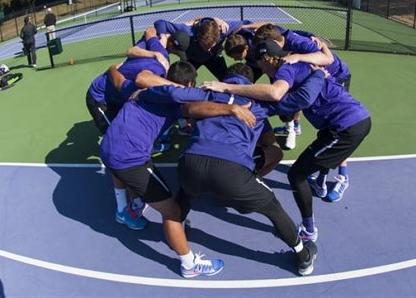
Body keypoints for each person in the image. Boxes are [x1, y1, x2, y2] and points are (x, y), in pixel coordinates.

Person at [137, 63, 332, 276]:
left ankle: (179, 231)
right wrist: (319, 73)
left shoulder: (207, 92)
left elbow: (177, 100)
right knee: (273, 208)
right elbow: (301, 99)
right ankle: (303, 256)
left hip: (190, 163)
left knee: (186, 192)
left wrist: (141, 93)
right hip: (231, 171)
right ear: (250, 83)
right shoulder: (258, 101)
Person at [204, 42, 371, 243]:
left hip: (345, 128)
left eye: (260, 63)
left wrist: (227, 87)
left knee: (296, 175)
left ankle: (309, 229)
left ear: (266, 60)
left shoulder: (285, 70)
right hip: (342, 124)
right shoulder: (302, 65)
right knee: (318, 152)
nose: (260, 69)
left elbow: (276, 94)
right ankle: (320, 184)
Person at [101, 61, 255, 277]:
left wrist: (111, 68)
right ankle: (189, 263)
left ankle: (126, 209)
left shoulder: (143, 91)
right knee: (172, 211)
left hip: (108, 148)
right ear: (189, 83)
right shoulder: (174, 95)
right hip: (130, 158)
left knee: (121, 169)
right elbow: (189, 102)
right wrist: (231, 107)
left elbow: (118, 81)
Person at [253, 24, 354, 200]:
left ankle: (342, 176)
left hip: (337, 76)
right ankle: (321, 176)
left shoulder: (297, 43)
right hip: (319, 79)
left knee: (337, 129)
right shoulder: (280, 48)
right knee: (326, 131)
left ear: (275, 42)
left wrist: (301, 55)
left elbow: (327, 58)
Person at [85, 33, 172, 230]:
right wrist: (113, 68)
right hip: (100, 99)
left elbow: (150, 30)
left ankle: (133, 195)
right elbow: (118, 80)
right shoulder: (135, 87)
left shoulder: (161, 55)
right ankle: (122, 210)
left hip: (116, 98)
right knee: (119, 148)